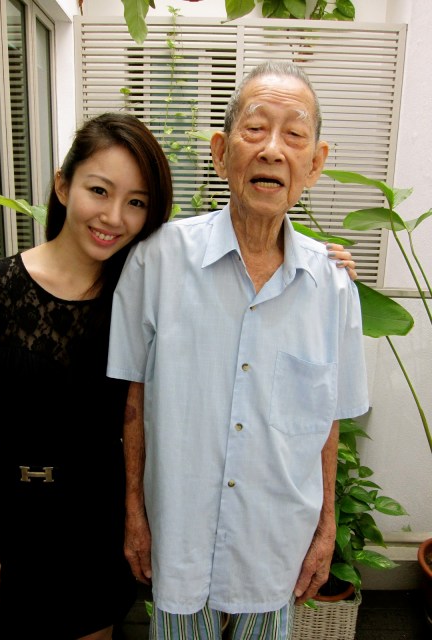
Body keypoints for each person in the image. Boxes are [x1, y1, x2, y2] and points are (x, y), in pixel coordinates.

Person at [106, 61, 369, 640]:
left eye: (294, 134)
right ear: (222, 152)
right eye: (255, 129)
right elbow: (134, 401)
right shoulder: (158, 260)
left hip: (274, 542)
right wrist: (135, 513)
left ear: (316, 163)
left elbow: (328, 420)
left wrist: (326, 528)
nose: (272, 149)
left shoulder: (331, 287)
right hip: (179, 535)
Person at [0, 112, 173, 640]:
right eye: (100, 190)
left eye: (136, 202)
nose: (114, 216)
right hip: (11, 515)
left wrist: (321, 267)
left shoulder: (138, 296)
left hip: (97, 517)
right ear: (63, 185)